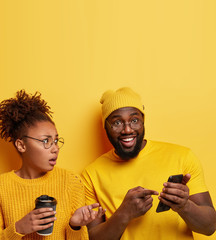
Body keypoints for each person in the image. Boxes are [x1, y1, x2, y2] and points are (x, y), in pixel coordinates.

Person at [81, 87, 216, 240]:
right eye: (117, 122)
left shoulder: (182, 157)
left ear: (143, 121)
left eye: (134, 120)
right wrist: (124, 213)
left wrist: (184, 206)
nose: (127, 129)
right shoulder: (91, 174)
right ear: (106, 127)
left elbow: (210, 227)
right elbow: (93, 238)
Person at [0, 90, 105, 240]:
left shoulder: (71, 181)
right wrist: (19, 228)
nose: (55, 148)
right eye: (46, 141)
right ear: (21, 145)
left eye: (55, 141)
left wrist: (75, 225)